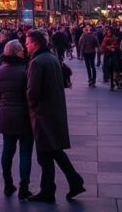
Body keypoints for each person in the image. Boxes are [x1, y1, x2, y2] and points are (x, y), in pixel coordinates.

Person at [25, 30, 85, 203]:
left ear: (36, 43)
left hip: (43, 113)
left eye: (28, 43)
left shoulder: (37, 62)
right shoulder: (51, 58)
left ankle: (55, 188)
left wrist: (28, 101)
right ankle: (65, 184)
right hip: (54, 109)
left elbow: (33, 91)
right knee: (52, 151)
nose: (26, 45)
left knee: (48, 152)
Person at [0, 40, 33, 199]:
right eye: (22, 49)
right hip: (25, 115)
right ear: (16, 52)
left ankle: (8, 184)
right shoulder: (27, 70)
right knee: (25, 153)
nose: (24, 50)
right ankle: (24, 188)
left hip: (6, 115)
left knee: (7, 150)